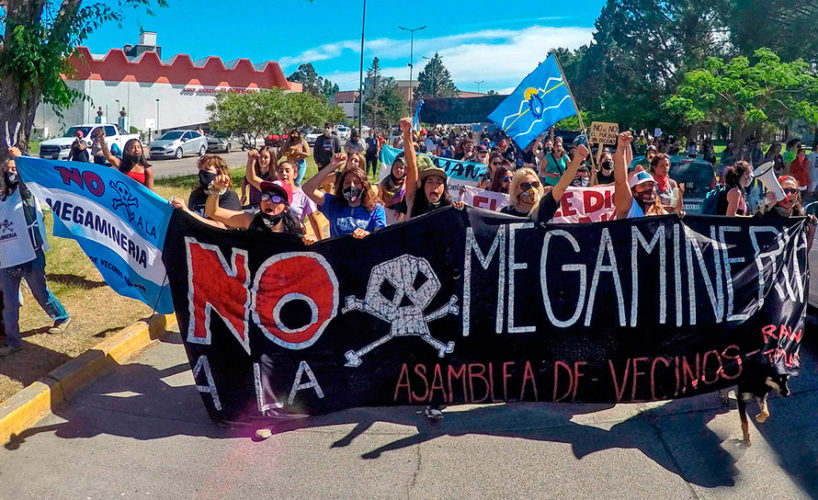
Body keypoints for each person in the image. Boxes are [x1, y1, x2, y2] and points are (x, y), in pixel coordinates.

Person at [0, 147, 71, 356]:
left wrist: (20, 159)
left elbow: (26, 179)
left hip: (30, 255)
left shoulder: (26, 194)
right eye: (7, 169)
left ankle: (61, 316)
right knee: (9, 304)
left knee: (40, 293)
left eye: (14, 169)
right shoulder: (2, 199)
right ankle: (13, 342)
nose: (11, 172)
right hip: (7, 259)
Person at [302, 153, 385, 238]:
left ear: (364, 186)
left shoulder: (375, 209)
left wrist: (367, 234)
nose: (352, 186)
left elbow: (381, 236)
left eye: (356, 183)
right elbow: (307, 188)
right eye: (347, 182)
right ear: (342, 186)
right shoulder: (332, 203)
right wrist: (331, 166)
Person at [204, 173, 307, 238]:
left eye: (276, 199)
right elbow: (212, 212)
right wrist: (216, 190)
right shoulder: (249, 220)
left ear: (286, 208)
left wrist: (312, 239)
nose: (269, 202)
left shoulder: (295, 227)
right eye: (266, 196)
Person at [401, 117, 463, 219]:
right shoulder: (413, 200)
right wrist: (407, 133)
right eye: (430, 182)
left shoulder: (448, 208)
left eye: (439, 182)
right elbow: (412, 166)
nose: (434, 186)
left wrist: (460, 210)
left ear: (444, 188)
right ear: (423, 185)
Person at [525, 144, 590, 223]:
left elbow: (571, 169)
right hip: (550, 185)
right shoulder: (548, 157)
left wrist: (578, 159)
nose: (559, 148)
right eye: (557, 146)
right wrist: (550, 174)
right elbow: (542, 170)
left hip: (562, 184)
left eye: (560, 146)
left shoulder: (565, 157)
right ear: (553, 148)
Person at [613, 132, 667, 219]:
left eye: (651, 185)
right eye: (642, 185)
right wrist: (621, 148)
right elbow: (621, 182)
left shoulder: (662, 213)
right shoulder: (631, 208)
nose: (648, 188)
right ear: (634, 192)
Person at [185, 155, 242, 225]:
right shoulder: (196, 194)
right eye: (201, 170)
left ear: (219, 173)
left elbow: (222, 226)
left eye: (207, 169)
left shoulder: (229, 196)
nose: (202, 173)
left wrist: (188, 213)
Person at [378, 154, 407, 224]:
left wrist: (402, 212)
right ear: (392, 168)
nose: (398, 170)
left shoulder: (406, 184)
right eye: (396, 167)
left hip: (400, 217)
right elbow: (379, 199)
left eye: (401, 168)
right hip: (384, 215)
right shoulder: (384, 183)